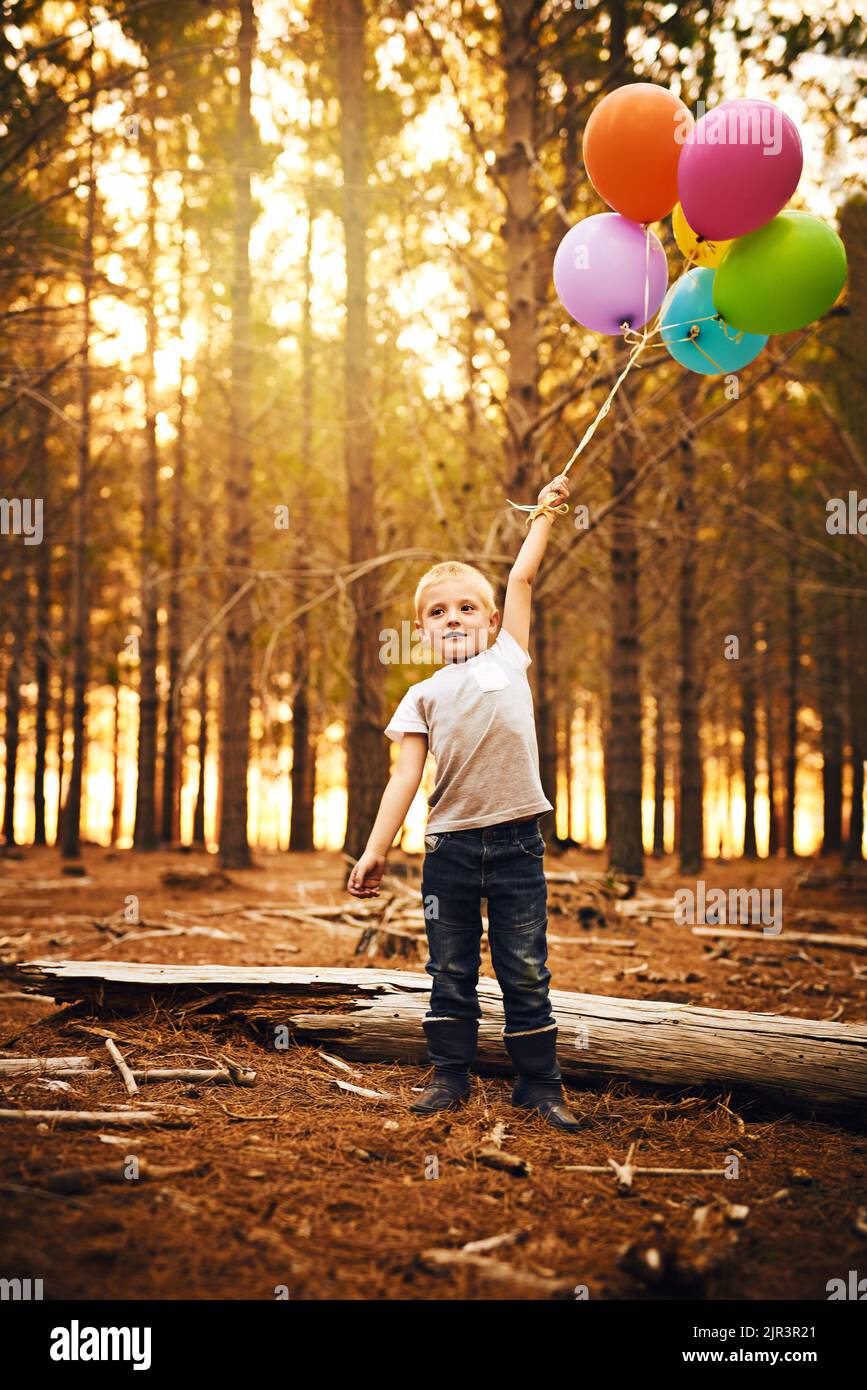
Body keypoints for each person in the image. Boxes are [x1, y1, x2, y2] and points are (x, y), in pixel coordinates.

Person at [347, 474, 582, 1131]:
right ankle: (450, 1077)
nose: (453, 618)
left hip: (516, 847)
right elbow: (403, 780)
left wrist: (543, 514)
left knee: (525, 969)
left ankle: (539, 1085)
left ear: (493, 622)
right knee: (449, 969)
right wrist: (373, 852)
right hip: (446, 850)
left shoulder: (509, 658)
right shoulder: (420, 696)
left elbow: (524, 579)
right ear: (421, 630)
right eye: (437, 612)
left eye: (466, 608)